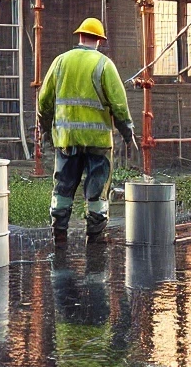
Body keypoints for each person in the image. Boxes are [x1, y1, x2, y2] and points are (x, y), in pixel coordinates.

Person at [37, 18, 137, 241]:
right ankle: (94, 236)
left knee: (63, 187)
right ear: (99, 40)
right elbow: (119, 104)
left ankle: (59, 234)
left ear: (80, 36)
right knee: (97, 189)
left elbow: (44, 100)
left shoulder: (60, 62)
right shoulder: (104, 65)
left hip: (66, 140)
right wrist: (127, 131)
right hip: (97, 142)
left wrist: (45, 128)